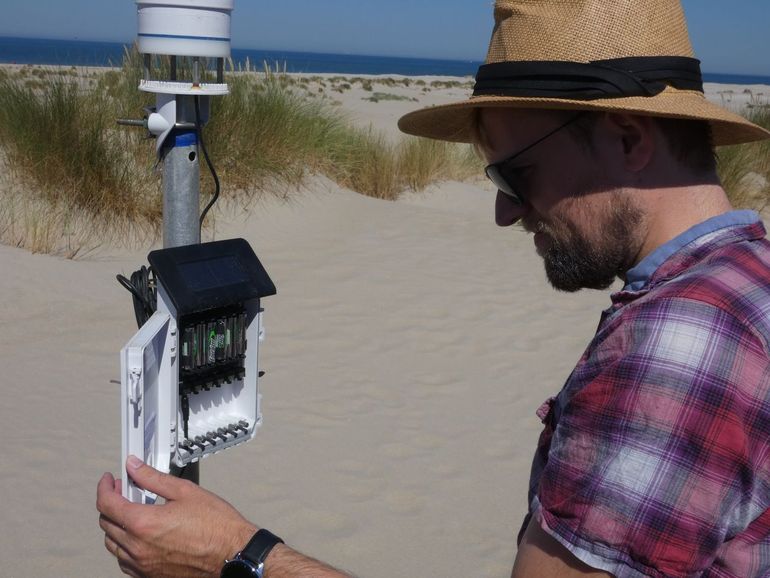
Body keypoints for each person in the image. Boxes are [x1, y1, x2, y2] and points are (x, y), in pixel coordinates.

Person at [97, 0, 770, 576]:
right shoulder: (749, 280)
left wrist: (238, 556)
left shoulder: (676, 350)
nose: (506, 213)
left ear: (628, 138)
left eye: (517, 176)